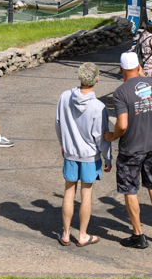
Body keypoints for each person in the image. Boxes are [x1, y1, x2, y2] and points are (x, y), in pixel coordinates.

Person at [104, 51, 152, 248]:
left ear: (121, 68)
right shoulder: (151, 83)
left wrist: (112, 136)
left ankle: (138, 234)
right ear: (138, 66)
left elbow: (122, 125)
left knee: (130, 189)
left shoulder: (121, 92)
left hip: (132, 147)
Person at [55, 62, 113, 247]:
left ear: (79, 77)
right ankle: (82, 235)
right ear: (97, 79)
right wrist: (108, 157)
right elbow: (101, 137)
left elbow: (58, 124)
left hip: (70, 152)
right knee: (86, 194)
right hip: (90, 156)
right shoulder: (99, 106)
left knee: (68, 191)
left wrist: (63, 144)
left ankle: (65, 233)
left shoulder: (64, 97)